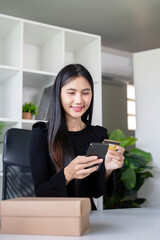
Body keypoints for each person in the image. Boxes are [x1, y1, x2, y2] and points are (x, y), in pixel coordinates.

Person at [29, 64, 125, 210]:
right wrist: (67, 174)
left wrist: (108, 169)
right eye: (71, 92)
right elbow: (41, 192)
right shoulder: (41, 134)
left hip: (88, 216)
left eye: (85, 93)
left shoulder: (98, 135)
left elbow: (96, 192)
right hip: (53, 217)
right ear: (58, 94)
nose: (79, 100)